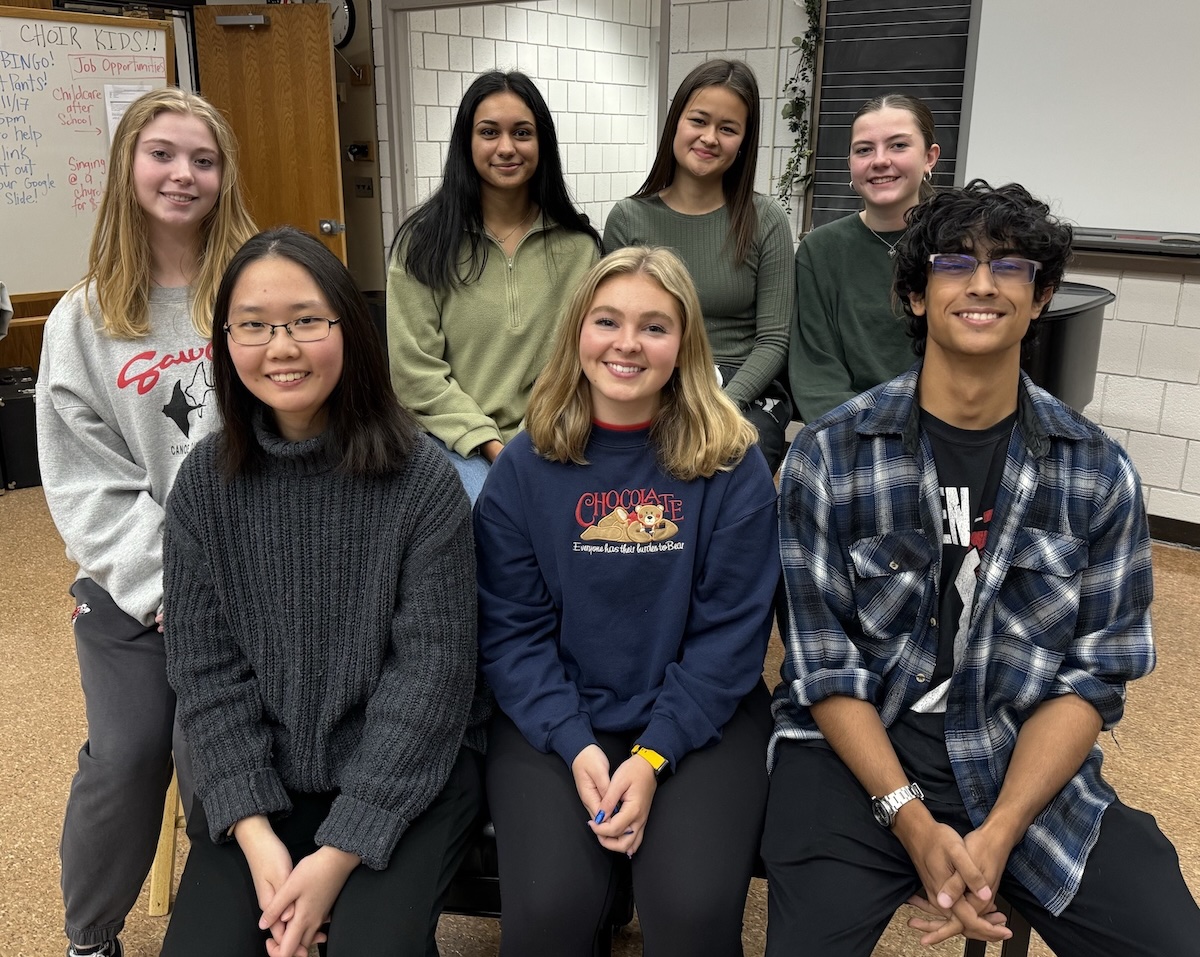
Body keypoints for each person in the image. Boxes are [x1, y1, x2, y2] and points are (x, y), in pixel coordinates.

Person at [763, 180, 1200, 956]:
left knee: (1169, 937)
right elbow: (822, 666)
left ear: (1041, 299)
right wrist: (912, 816)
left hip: (1016, 759)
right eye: (956, 262)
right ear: (915, 295)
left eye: (1012, 268)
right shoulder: (827, 457)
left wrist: (999, 830)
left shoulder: (1099, 473)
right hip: (856, 761)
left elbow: (1093, 678)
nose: (982, 283)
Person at [159, 227, 487, 957]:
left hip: (406, 775)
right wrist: (257, 839)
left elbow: (430, 683)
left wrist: (337, 855)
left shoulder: (422, 481)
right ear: (225, 339)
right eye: (254, 325)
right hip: (261, 780)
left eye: (307, 320)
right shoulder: (203, 487)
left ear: (349, 327)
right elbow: (205, 675)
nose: (282, 347)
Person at [475, 247, 779, 957]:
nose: (626, 344)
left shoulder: (733, 465)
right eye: (607, 320)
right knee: (549, 911)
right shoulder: (524, 465)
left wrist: (651, 757)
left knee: (692, 912)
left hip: (700, 715)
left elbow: (730, 639)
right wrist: (574, 739)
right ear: (577, 331)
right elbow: (513, 635)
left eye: (654, 327)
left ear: (684, 345)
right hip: (556, 714)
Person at [35, 88, 256, 957]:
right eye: (162, 153)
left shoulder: (257, 288)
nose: (183, 174)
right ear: (128, 167)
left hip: (249, 584)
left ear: (224, 176)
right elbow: (85, 482)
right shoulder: (82, 319)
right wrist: (169, 586)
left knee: (219, 754)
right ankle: (92, 934)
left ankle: (225, 919)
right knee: (127, 758)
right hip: (132, 591)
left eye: (203, 159)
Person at [386, 70, 601, 502]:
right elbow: (414, 373)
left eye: (522, 132)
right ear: (467, 142)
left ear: (542, 143)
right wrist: (488, 443)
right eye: (489, 132)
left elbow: (577, 363)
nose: (506, 147)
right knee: (489, 524)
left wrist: (524, 443)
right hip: (451, 441)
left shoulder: (580, 249)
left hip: (553, 434)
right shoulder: (423, 243)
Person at [603, 59, 795, 473]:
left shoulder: (766, 220)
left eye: (728, 129)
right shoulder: (628, 219)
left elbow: (774, 340)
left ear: (744, 141)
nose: (710, 138)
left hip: (744, 387)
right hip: (655, 376)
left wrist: (717, 404)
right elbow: (615, 326)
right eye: (699, 121)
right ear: (676, 123)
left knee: (735, 464)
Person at [790, 93, 940, 423]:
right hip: (848, 429)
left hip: (938, 426)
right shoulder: (820, 250)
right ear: (850, 163)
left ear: (929, 157)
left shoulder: (956, 248)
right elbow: (817, 373)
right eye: (864, 149)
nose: (880, 160)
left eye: (898, 146)